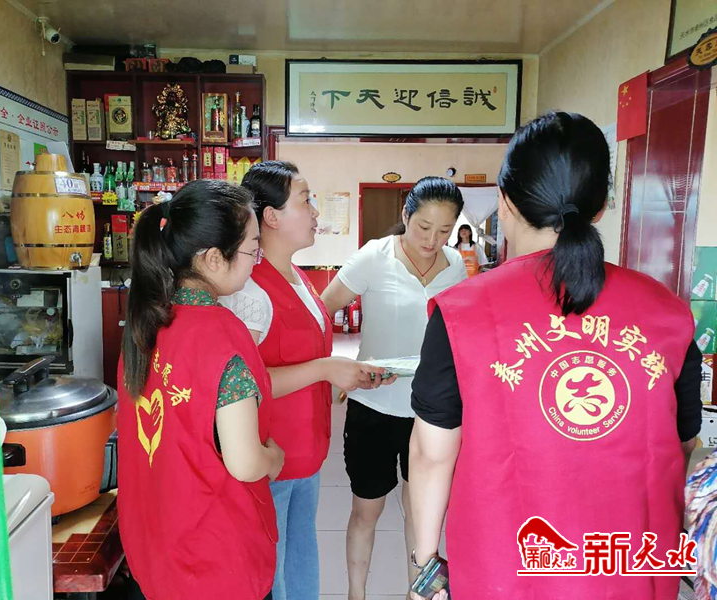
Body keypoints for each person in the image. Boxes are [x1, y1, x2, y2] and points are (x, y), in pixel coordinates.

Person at [409, 112, 703, 600]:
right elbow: (685, 447)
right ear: (601, 207)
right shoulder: (668, 314)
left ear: (505, 202)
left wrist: (424, 568)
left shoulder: (462, 314)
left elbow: (431, 455)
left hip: (502, 574)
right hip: (632, 573)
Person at [220, 161, 390, 600]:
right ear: (271, 217)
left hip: (306, 453)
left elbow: (307, 359)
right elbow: (238, 386)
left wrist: (343, 376)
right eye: (305, 200)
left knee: (299, 558)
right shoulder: (249, 291)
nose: (315, 211)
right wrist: (326, 369)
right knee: (272, 571)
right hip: (270, 457)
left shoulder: (298, 279)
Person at [117, 180, 285, 600]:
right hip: (215, 557)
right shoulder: (222, 334)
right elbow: (245, 462)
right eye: (252, 249)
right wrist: (273, 458)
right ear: (213, 258)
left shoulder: (145, 324)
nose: (256, 261)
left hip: (156, 547)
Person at [320, 176, 467, 600]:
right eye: (424, 227)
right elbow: (321, 310)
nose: (432, 240)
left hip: (432, 413)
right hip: (375, 407)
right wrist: (334, 370)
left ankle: (415, 594)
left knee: (423, 518)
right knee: (367, 510)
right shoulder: (375, 256)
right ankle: (356, 594)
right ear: (406, 215)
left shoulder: (455, 265)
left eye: (444, 230)